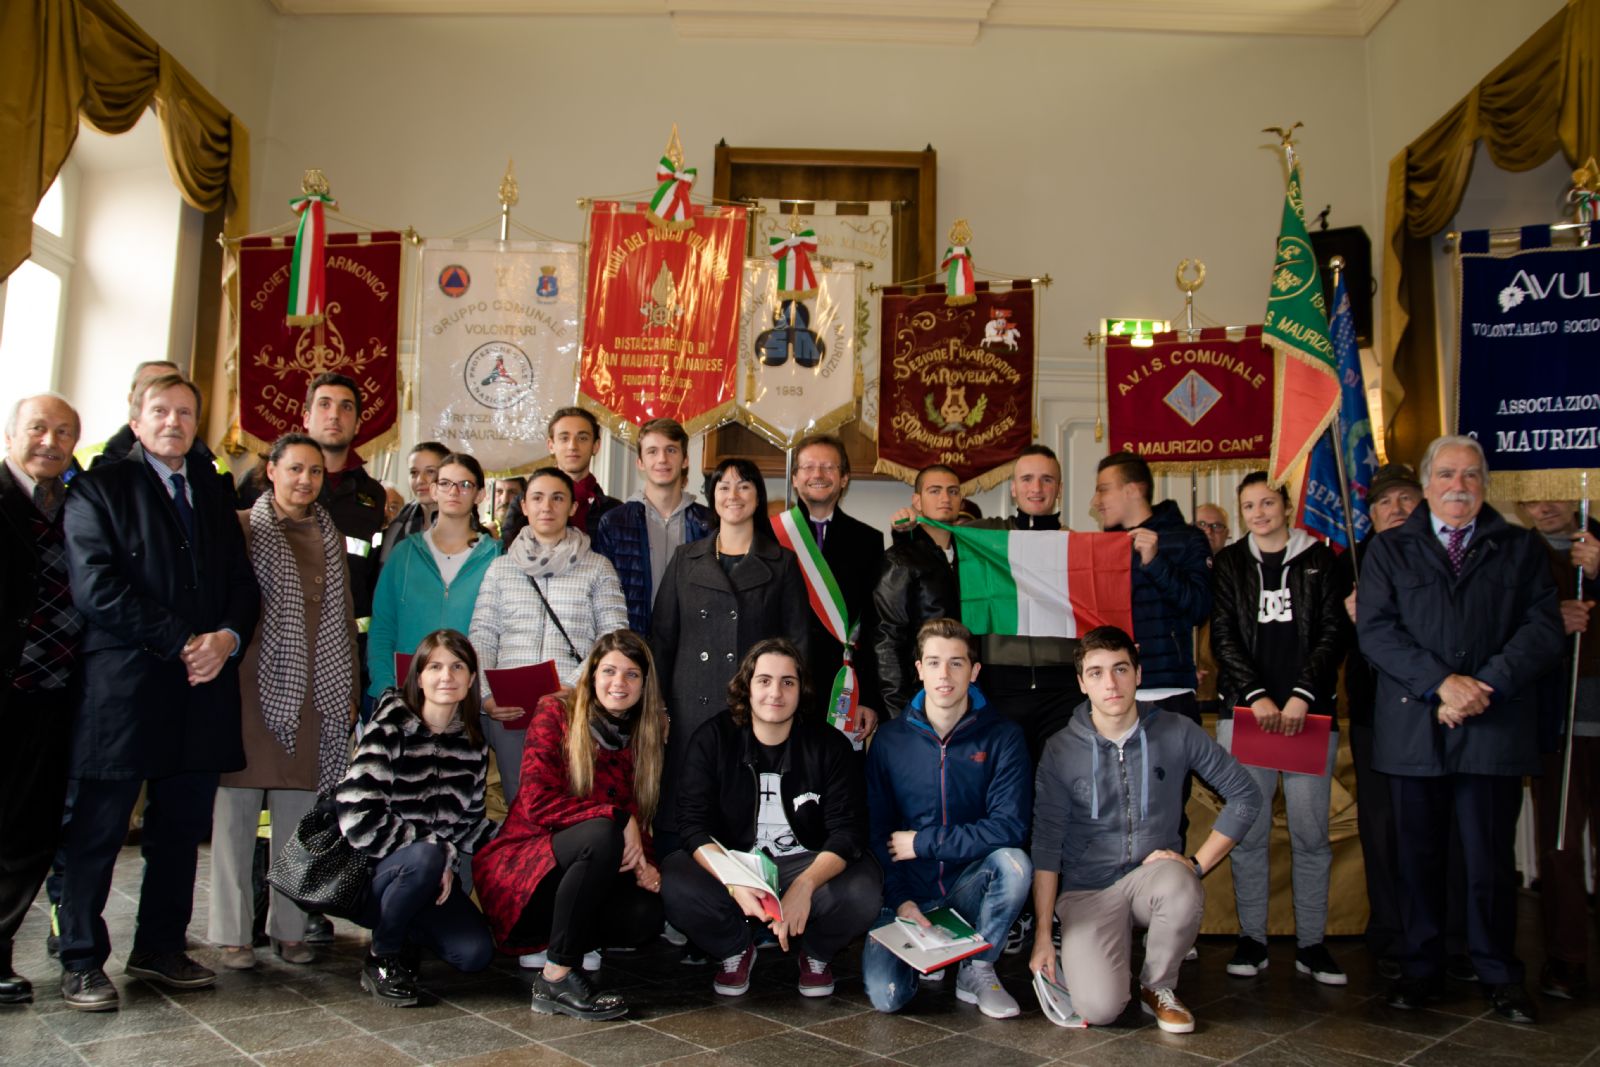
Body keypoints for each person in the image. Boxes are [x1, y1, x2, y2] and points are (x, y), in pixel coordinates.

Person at [57, 374, 260, 1012]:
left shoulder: (210, 490)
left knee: (180, 829)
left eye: (185, 413)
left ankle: (160, 947)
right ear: (137, 418)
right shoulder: (98, 487)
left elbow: (241, 582)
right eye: (161, 411)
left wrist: (226, 637)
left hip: (202, 686)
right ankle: (81, 958)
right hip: (127, 687)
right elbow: (96, 587)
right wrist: (182, 640)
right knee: (99, 830)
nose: (174, 422)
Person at [1358, 435, 1563, 1023]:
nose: (1459, 485)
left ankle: (1499, 974)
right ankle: (1420, 970)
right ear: (1427, 485)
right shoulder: (1389, 549)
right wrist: (1441, 685)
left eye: (1471, 475)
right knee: (1416, 860)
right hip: (1415, 728)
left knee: (1488, 861)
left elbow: (1542, 630)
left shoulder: (1519, 547)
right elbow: (1377, 632)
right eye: (1447, 474)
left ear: (1485, 486)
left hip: (1493, 726)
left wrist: (1481, 688)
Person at [1030, 626, 1261, 1033]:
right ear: (1082, 683)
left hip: (1152, 878)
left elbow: (1245, 794)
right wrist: (1043, 935)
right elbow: (1046, 845)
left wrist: (1197, 864)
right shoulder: (1060, 749)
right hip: (1088, 891)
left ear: (1138, 674)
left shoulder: (1177, 730)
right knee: (1101, 1010)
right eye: (1097, 673)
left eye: (1121, 669)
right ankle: (1092, 956)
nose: (1111, 683)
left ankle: (1158, 986)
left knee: (1181, 882)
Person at [208, 433, 358, 971]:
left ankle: (289, 929)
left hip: (316, 693)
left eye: (315, 472)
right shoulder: (241, 527)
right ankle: (232, 934)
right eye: (295, 469)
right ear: (271, 471)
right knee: (236, 816)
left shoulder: (330, 535)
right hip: (249, 689)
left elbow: (344, 619)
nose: (305, 480)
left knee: (299, 823)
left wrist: (347, 693)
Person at [661, 639, 880, 998]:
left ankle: (816, 954)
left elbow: (848, 831)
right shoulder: (712, 739)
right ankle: (735, 949)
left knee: (863, 889)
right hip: (739, 861)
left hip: (806, 861)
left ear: (801, 690)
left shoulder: (829, 745)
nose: (775, 693)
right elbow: (693, 825)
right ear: (746, 687)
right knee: (677, 881)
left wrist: (805, 886)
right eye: (764, 680)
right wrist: (733, 882)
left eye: (787, 682)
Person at [472, 631, 667, 1019]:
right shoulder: (556, 711)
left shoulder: (640, 735)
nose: (619, 683)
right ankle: (556, 976)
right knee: (602, 833)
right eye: (609, 671)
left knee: (645, 914)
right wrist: (616, 818)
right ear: (592, 675)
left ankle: (566, 942)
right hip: (525, 869)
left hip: (583, 871)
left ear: (644, 685)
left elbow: (633, 821)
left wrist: (646, 866)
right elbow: (536, 801)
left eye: (631, 674)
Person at [1209, 471, 1347, 985]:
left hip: (1308, 716)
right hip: (1248, 715)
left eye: (1268, 503)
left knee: (1311, 835)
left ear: (1287, 506)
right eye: (1249, 506)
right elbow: (1222, 636)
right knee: (1249, 833)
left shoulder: (1321, 559)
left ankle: (1312, 945)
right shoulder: (1229, 563)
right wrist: (1257, 696)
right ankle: (1253, 941)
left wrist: (1301, 696)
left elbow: (1333, 632)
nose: (1259, 513)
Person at [863, 618, 1032, 1018]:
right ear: (919, 669)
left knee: (1014, 865)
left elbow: (1009, 827)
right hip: (908, 896)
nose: (944, 675)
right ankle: (934, 953)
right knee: (887, 997)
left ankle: (977, 967)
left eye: (956, 663)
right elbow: (876, 831)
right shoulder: (890, 740)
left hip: (967, 892)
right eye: (934, 662)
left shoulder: (1003, 737)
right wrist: (901, 901)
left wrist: (923, 842)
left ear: (974, 671)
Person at [650, 458, 810, 850]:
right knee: (685, 812)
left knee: (742, 812)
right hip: (690, 708)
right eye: (723, 487)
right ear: (712, 497)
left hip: (753, 710)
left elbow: (798, 644)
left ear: (758, 496)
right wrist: (658, 706)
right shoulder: (685, 559)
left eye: (744, 486)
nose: (733, 495)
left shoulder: (782, 563)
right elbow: (662, 640)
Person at [337, 629, 497, 1007]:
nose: (447, 676)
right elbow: (356, 811)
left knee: (475, 955)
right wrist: (434, 849)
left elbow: (469, 826)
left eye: (457, 667)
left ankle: (405, 929)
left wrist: (523, 841)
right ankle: (381, 956)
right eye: (435, 667)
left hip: (432, 880)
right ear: (419, 677)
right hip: (375, 876)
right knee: (425, 857)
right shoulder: (391, 726)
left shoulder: (473, 745)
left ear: (471, 680)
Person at [471, 467, 627, 805]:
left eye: (558, 498)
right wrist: (485, 696)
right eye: (538, 498)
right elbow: (482, 636)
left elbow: (613, 639)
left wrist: (573, 686)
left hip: (573, 706)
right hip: (510, 709)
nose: (547, 507)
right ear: (524, 506)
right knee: (518, 804)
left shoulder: (598, 567)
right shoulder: (500, 568)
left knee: (569, 802)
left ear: (573, 507)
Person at [0, 394, 83, 1005]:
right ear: (11, 434)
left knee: (29, 834)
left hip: (54, 697)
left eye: (63, 432)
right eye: (38, 428)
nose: (49, 442)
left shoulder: (76, 507)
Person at [1340, 461, 1423, 978]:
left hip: (1435, 714)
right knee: (1382, 827)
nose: (1396, 509)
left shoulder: (1443, 554)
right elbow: (1330, 641)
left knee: (1433, 829)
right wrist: (1352, 619)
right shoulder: (1352, 561)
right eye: (1385, 502)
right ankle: (1390, 931)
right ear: (1369, 513)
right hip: (1375, 713)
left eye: (1406, 499)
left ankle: (1444, 934)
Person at [1521, 498, 1599, 1000]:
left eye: (1554, 492)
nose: (1545, 505)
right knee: (1559, 846)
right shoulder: (1517, 552)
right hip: (1557, 722)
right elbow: (1501, 622)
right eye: (1533, 496)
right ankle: (1567, 959)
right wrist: (1553, 619)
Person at [969, 444, 1079, 760]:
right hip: (1000, 684)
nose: (1036, 488)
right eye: (1027, 479)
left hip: (1063, 688)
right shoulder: (985, 535)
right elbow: (937, 534)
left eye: (1047, 479)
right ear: (1013, 488)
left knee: (1058, 777)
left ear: (1059, 489)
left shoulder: (1079, 546)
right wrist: (908, 526)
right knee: (1008, 776)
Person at [368, 453, 501, 700]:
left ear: (480, 495)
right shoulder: (404, 554)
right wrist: (384, 686)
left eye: (465, 485)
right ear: (433, 490)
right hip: (406, 692)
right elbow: (382, 627)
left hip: (470, 696)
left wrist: (486, 693)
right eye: (445, 483)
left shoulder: (497, 556)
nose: (454, 492)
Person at [788, 433, 884, 731]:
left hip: (842, 685)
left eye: (829, 467)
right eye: (808, 467)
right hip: (783, 683)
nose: (818, 474)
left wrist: (868, 696)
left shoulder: (868, 541)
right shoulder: (770, 534)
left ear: (844, 479)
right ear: (795, 478)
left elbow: (874, 624)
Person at [592, 417, 712, 637]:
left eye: (671, 450)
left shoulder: (709, 523)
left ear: (685, 460)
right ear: (640, 462)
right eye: (652, 451)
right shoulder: (614, 523)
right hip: (632, 644)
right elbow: (602, 595)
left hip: (690, 644)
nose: (662, 459)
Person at [873, 465, 964, 719]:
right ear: (917, 501)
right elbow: (887, 639)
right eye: (935, 491)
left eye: (953, 491)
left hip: (966, 693)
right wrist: (898, 711)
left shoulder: (973, 558)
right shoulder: (901, 559)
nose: (945, 498)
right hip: (918, 697)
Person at [374, 441, 450, 568]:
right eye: (414, 473)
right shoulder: (397, 526)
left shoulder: (463, 526)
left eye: (430, 471)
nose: (420, 480)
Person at [546, 406, 619, 533]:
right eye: (564, 438)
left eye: (582, 438)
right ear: (551, 445)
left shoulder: (615, 511)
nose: (572, 446)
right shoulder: (529, 505)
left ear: (596, 446)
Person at [1193, 502, 1230, 714]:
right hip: (1185, 686)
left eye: (1216, 526)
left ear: (1226, 534)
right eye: (1201, 524)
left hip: (1226, 688)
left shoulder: (1236, 574)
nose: (1208, 531)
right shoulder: (1171, 571)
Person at [493, 476, 527, 540]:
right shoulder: (478, 531)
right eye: (499, 491)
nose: (504, 500)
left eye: (512, 492)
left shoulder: (531, 532)